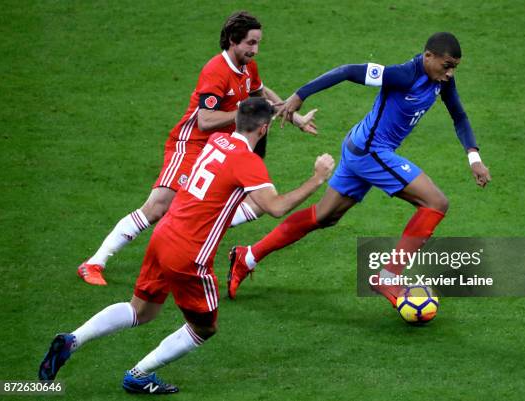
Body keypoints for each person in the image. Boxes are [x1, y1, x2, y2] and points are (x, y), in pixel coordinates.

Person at [39, 98, 335, 393]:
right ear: (264, 129)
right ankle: (139, 374)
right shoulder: (248, 162)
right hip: (190, 253)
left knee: (141, 311)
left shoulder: (218, 140)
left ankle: (73, 339)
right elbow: (277, 207)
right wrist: (317, 178)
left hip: (164, 234)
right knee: (204, 327)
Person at [227, 32, 491, 306]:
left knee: (324, 216)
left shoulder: (441, 82)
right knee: (435, 203)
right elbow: (348, 71)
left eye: (454, 68)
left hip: (359, 147)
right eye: (446, 65)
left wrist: (474, 159)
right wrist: (300, 94)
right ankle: (389, 276)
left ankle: (246, 257)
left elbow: (459, 115)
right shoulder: (403, 75)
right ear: (428, 57)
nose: (449, 73)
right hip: (370, 151)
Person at [77, 11, 317, 286]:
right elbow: (205, 121)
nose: (255, 50)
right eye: (250, 43)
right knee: (158, 207)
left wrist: (295, 118)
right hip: (192, 145)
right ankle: (94, 263)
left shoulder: (248, 67)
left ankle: (196, 241)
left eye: (258, 43)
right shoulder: (216, 70)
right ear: (232, 41)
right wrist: (240, 111)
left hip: (223, 149)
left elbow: (260, 94)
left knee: (256, 203)